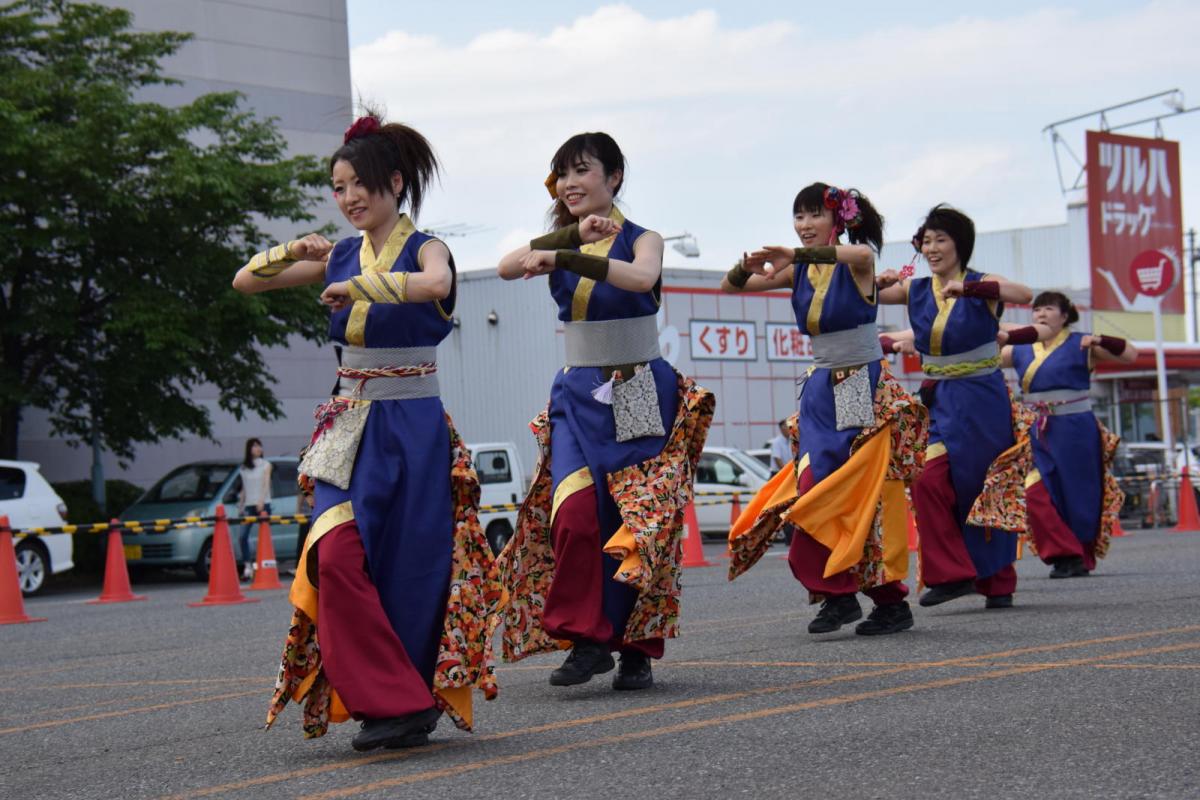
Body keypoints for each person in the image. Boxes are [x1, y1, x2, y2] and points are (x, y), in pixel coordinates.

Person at [233, 113, 502, 750]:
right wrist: (289, 253)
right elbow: (246, 281)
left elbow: (436, 285)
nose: (349, 197)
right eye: (338, 185)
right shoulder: (339, 251)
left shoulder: (426, 246)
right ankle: (387, 697)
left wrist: (355, 284)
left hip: (411, 421)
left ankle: (408, 703)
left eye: (361, 183)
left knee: (412, 567)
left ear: (396, 183)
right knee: (334, 555)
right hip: (346, 423)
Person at [497, 132, 713, 690]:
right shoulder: (560, 236)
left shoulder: (645, 238)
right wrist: (568, 238)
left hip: (638, 384)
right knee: (571, 515)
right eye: (562, 174)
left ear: (614, 177)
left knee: (636, 522)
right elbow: (504, 266)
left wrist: (567, 255)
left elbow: (642, 279)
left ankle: (635, 645)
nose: (570, 183)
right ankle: (588, 638)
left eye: (582, 171)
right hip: (576, 391)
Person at [723, 183, 927, 637]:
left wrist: (797, 257)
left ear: (838, 220)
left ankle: (889, 601)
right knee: (812, 488)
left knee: (859, 496)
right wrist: (746, 265)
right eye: (798, 217)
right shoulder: (798, 270)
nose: (803, 225)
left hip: (859, 381)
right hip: (819, 387)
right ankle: (836, 594)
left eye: (814, 215)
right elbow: (731, 286)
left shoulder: (855, 261)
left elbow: (861, 258)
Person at [878, 204, 1043, 610]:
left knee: (983, 486)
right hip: (938, 397)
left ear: (959, 244)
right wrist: (871, 277)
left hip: (982, 396)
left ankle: (998, 581)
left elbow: (1024, 295)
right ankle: (952, 575)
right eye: (926, 241)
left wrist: (969, 290)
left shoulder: (982, 282)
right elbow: (867, 295)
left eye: (941, 239)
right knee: (927, 480)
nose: (932, 248)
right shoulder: (915, 288)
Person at [1004, 291, 1134, 577]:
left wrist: (1101, 340)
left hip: (1075, 429)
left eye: (1048, 309)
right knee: (1033, 490)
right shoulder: (1021, 347)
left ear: (1065, 315)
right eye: (1036, 310)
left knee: (1079, 494)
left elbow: (1130, 354)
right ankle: (1063, 551)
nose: (1040, 314)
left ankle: (1078, 555)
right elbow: (981, 361)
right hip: (1035, 431)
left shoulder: (1082, 344)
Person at [236, 438, 272, 580]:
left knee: (263, 536)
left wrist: (261, 500)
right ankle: (247, 565)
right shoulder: (243, 468)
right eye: (254, 446)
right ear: (249, 449)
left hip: (263, 503)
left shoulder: (266, 465)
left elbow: (266, 484)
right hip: (249, 505)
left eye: (259, 446)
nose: (258, 448)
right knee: (242, 536)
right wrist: (241, 504)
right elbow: (244, 488)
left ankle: (264, 565)